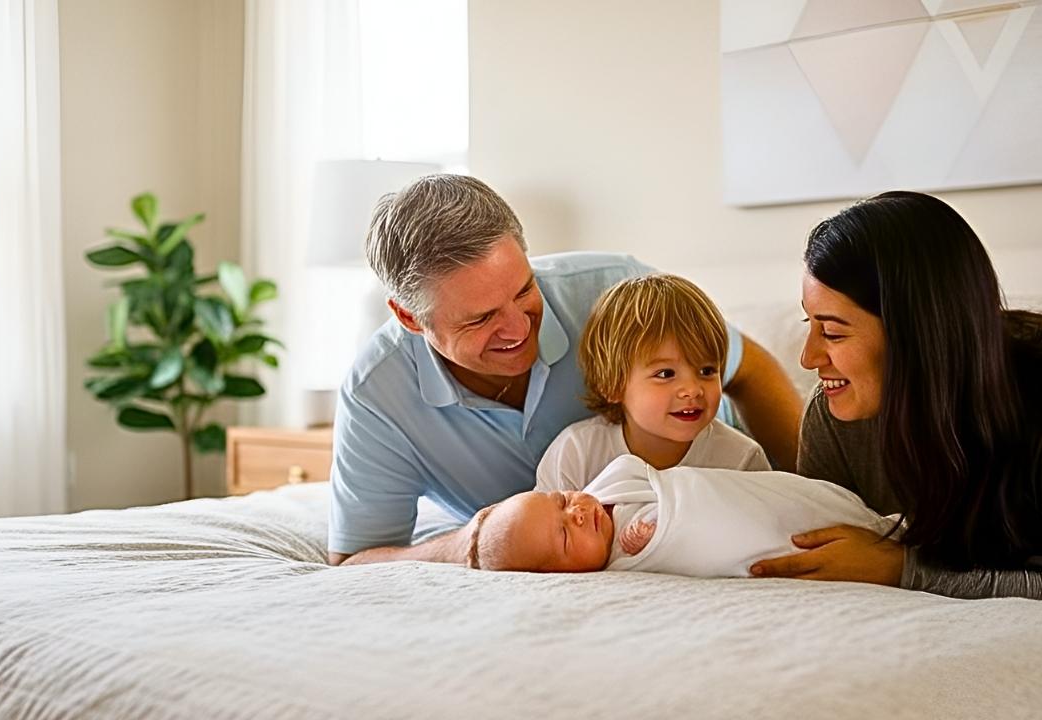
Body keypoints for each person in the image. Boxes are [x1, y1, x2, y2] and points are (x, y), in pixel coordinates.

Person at [749, 190, 1042, 603]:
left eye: (831, 332)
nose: (808, 358)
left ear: (916, 333)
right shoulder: (833, 415)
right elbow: (825, 551)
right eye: (807, 323)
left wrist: (899, 569)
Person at [329, 174, 804, 566]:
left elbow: (750, 369)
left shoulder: (617, 292)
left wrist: (819, 490)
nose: (518, 330)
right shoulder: (377, 395)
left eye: (523, 290)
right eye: (480, 318)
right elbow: (355, 561)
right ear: (410, 317)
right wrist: (473, 542)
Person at [469, 455, 895, 577]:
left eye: (562, 500)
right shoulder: (618, 561)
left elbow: (637, 471)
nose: (578, 513)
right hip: (744, 533)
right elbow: (688, 535)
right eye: (564, 537)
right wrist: (648, 538)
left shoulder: (607, 489)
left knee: (793, 502)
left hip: (751, 499)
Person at [535, 273, 770, 494]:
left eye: (707, 371)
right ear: (613, 385)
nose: (692, 390)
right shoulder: (576, 454)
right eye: (666, 374)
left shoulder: (742, 460)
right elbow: (539, 533)